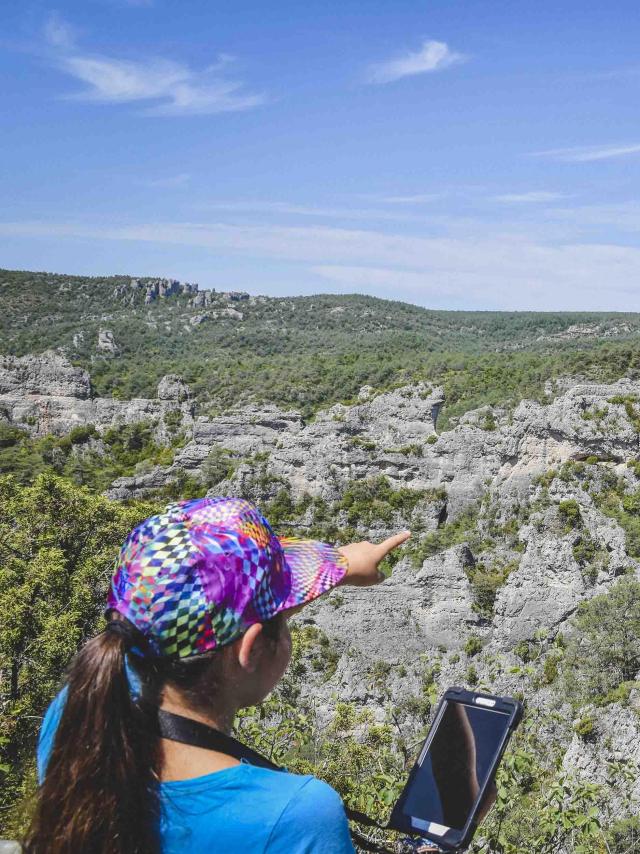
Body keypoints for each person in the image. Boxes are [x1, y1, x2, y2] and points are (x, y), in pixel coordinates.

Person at [27, 496, 411, 854]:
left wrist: (339, 567)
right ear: (254, 648)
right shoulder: (294, 816)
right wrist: (332, 567)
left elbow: (174, 624)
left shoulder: (79, 719)